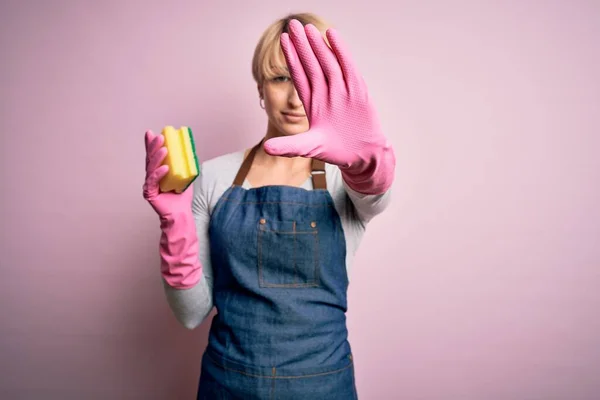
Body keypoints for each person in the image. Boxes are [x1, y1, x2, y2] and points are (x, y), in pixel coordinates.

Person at [143, 12, 396, 399]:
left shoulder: (341, 177)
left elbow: (376, 192)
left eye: (310, 81)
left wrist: (368, 159)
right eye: (280, 79)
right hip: (228, 383)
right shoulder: (213, 177)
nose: (296, 98)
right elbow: (190, 312)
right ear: (260, 88)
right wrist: (173, 221)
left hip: (322, 385)